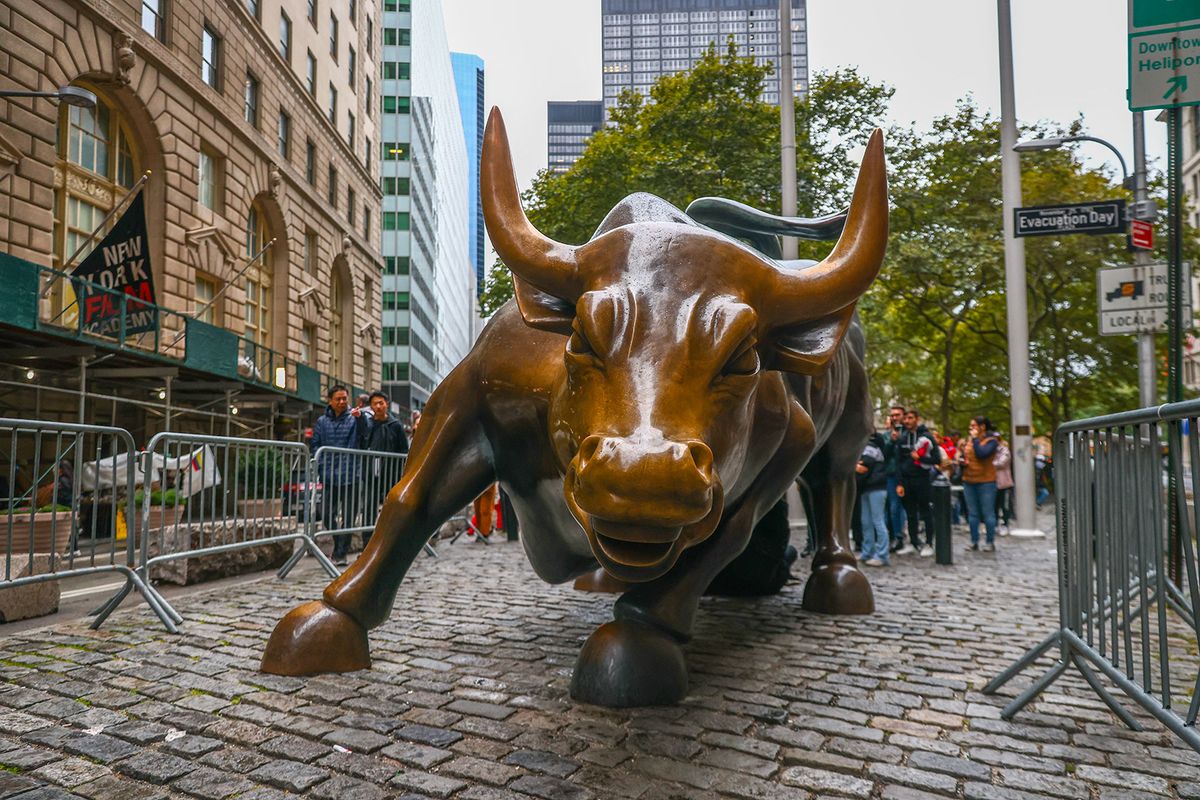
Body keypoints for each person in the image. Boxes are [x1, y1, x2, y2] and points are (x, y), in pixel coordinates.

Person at [310, 385, 360, 566]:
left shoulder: (355, 418)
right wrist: (321, 463)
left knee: (349, 516)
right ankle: (340, 545)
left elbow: (364, 435)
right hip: (329, 475)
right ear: (330, 400)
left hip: (351, 475)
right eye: (338, 399)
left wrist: (360, 420)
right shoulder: (322, 421)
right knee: (326, 513)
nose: (341, 402)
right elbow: (315, 444)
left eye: (344, 398)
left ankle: (340, 554)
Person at [357, 391, 409, 549]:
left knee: (391, 510)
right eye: (375, 404)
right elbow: (362, 442)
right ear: (371, 406)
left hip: (391, 475)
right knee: (368, 509)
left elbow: (403, 450)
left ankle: (391, 542)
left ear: (387, 404)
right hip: (371, 474)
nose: (378, 406)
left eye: (381, 403)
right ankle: (367, 544)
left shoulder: (396, 425)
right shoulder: (368, 424)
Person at [895, 408, 940, 556]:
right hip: (907, 480)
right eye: (906, 418)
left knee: (925, 511)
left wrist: (920, 459)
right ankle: (913, 542)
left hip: (922, 479)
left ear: (917, 419)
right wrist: (900, 483)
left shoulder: (927, 437)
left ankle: (929, 543)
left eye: (910, 418)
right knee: (910, 513)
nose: (907, 421)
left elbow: (937, 459)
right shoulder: (903, 438)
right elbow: (898, 461)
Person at [959, 416, 999, 552]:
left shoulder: (992, 441)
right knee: (973, 514)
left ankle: (989, 542)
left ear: (982, 427)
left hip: (986, 482)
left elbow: (982, 454)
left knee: (988, 513)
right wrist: (962, 461)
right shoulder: (969, 441)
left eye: (974, 425)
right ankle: (974, 541)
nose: (971, 428)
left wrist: (975, 439)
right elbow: (966, 456)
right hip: (969, 481)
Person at [856, 432, 890, 567]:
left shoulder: (868, 447)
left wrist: (855, 466)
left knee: (877, 521)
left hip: (875, 487)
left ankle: (882, 555)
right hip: (869, 488)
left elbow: (863, 468)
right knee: (867, 522)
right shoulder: (868, 447)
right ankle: (868, 552)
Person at [881, 405, 908, 553]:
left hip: (908, 475)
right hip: (891, 475)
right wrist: (892, 441)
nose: (894, 417)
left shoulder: (909, 433)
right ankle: (896, 536)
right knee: (893, 507)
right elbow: (884, 454)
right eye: (892, 415)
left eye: (897, 415)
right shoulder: (887, 435)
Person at [993, 434, 1013, 535]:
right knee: (994, 506)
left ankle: (1005, 525)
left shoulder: (1004, 450)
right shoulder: (990, 451)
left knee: (1005, 506)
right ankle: (995, 525)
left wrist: (989, 464)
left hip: (1004, 484)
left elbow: (1001, 463)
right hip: (992, 483)